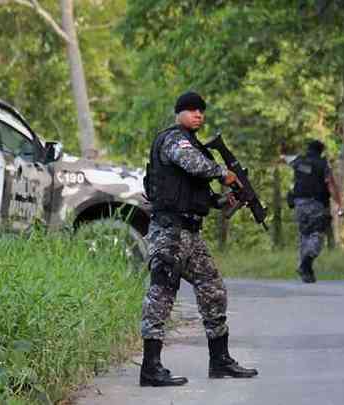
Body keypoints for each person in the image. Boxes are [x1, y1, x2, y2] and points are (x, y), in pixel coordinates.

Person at [140, 91, 258, 387]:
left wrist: (229, 200)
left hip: (190, 234)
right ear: (179, 112)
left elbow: (202, 197)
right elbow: (192, 164)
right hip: (169, 232)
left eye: (201, 111)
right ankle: (150, 368)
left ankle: (220, 361)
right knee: (162, 295)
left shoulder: (196, 147)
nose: (198, 115)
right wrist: (224, 173)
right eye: (192, 110)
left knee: (213, 289)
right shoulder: (174, 140)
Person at [286, 140, 344, 283]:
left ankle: (306, 271)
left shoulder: (299, 161)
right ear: (321, 151)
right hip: (316, 203)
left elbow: (286, 160)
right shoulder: (322, 164)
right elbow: (331, 184)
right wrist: (340, 204)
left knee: (304, 235)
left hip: (299, 203)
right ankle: (306, 262)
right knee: (317, 234)